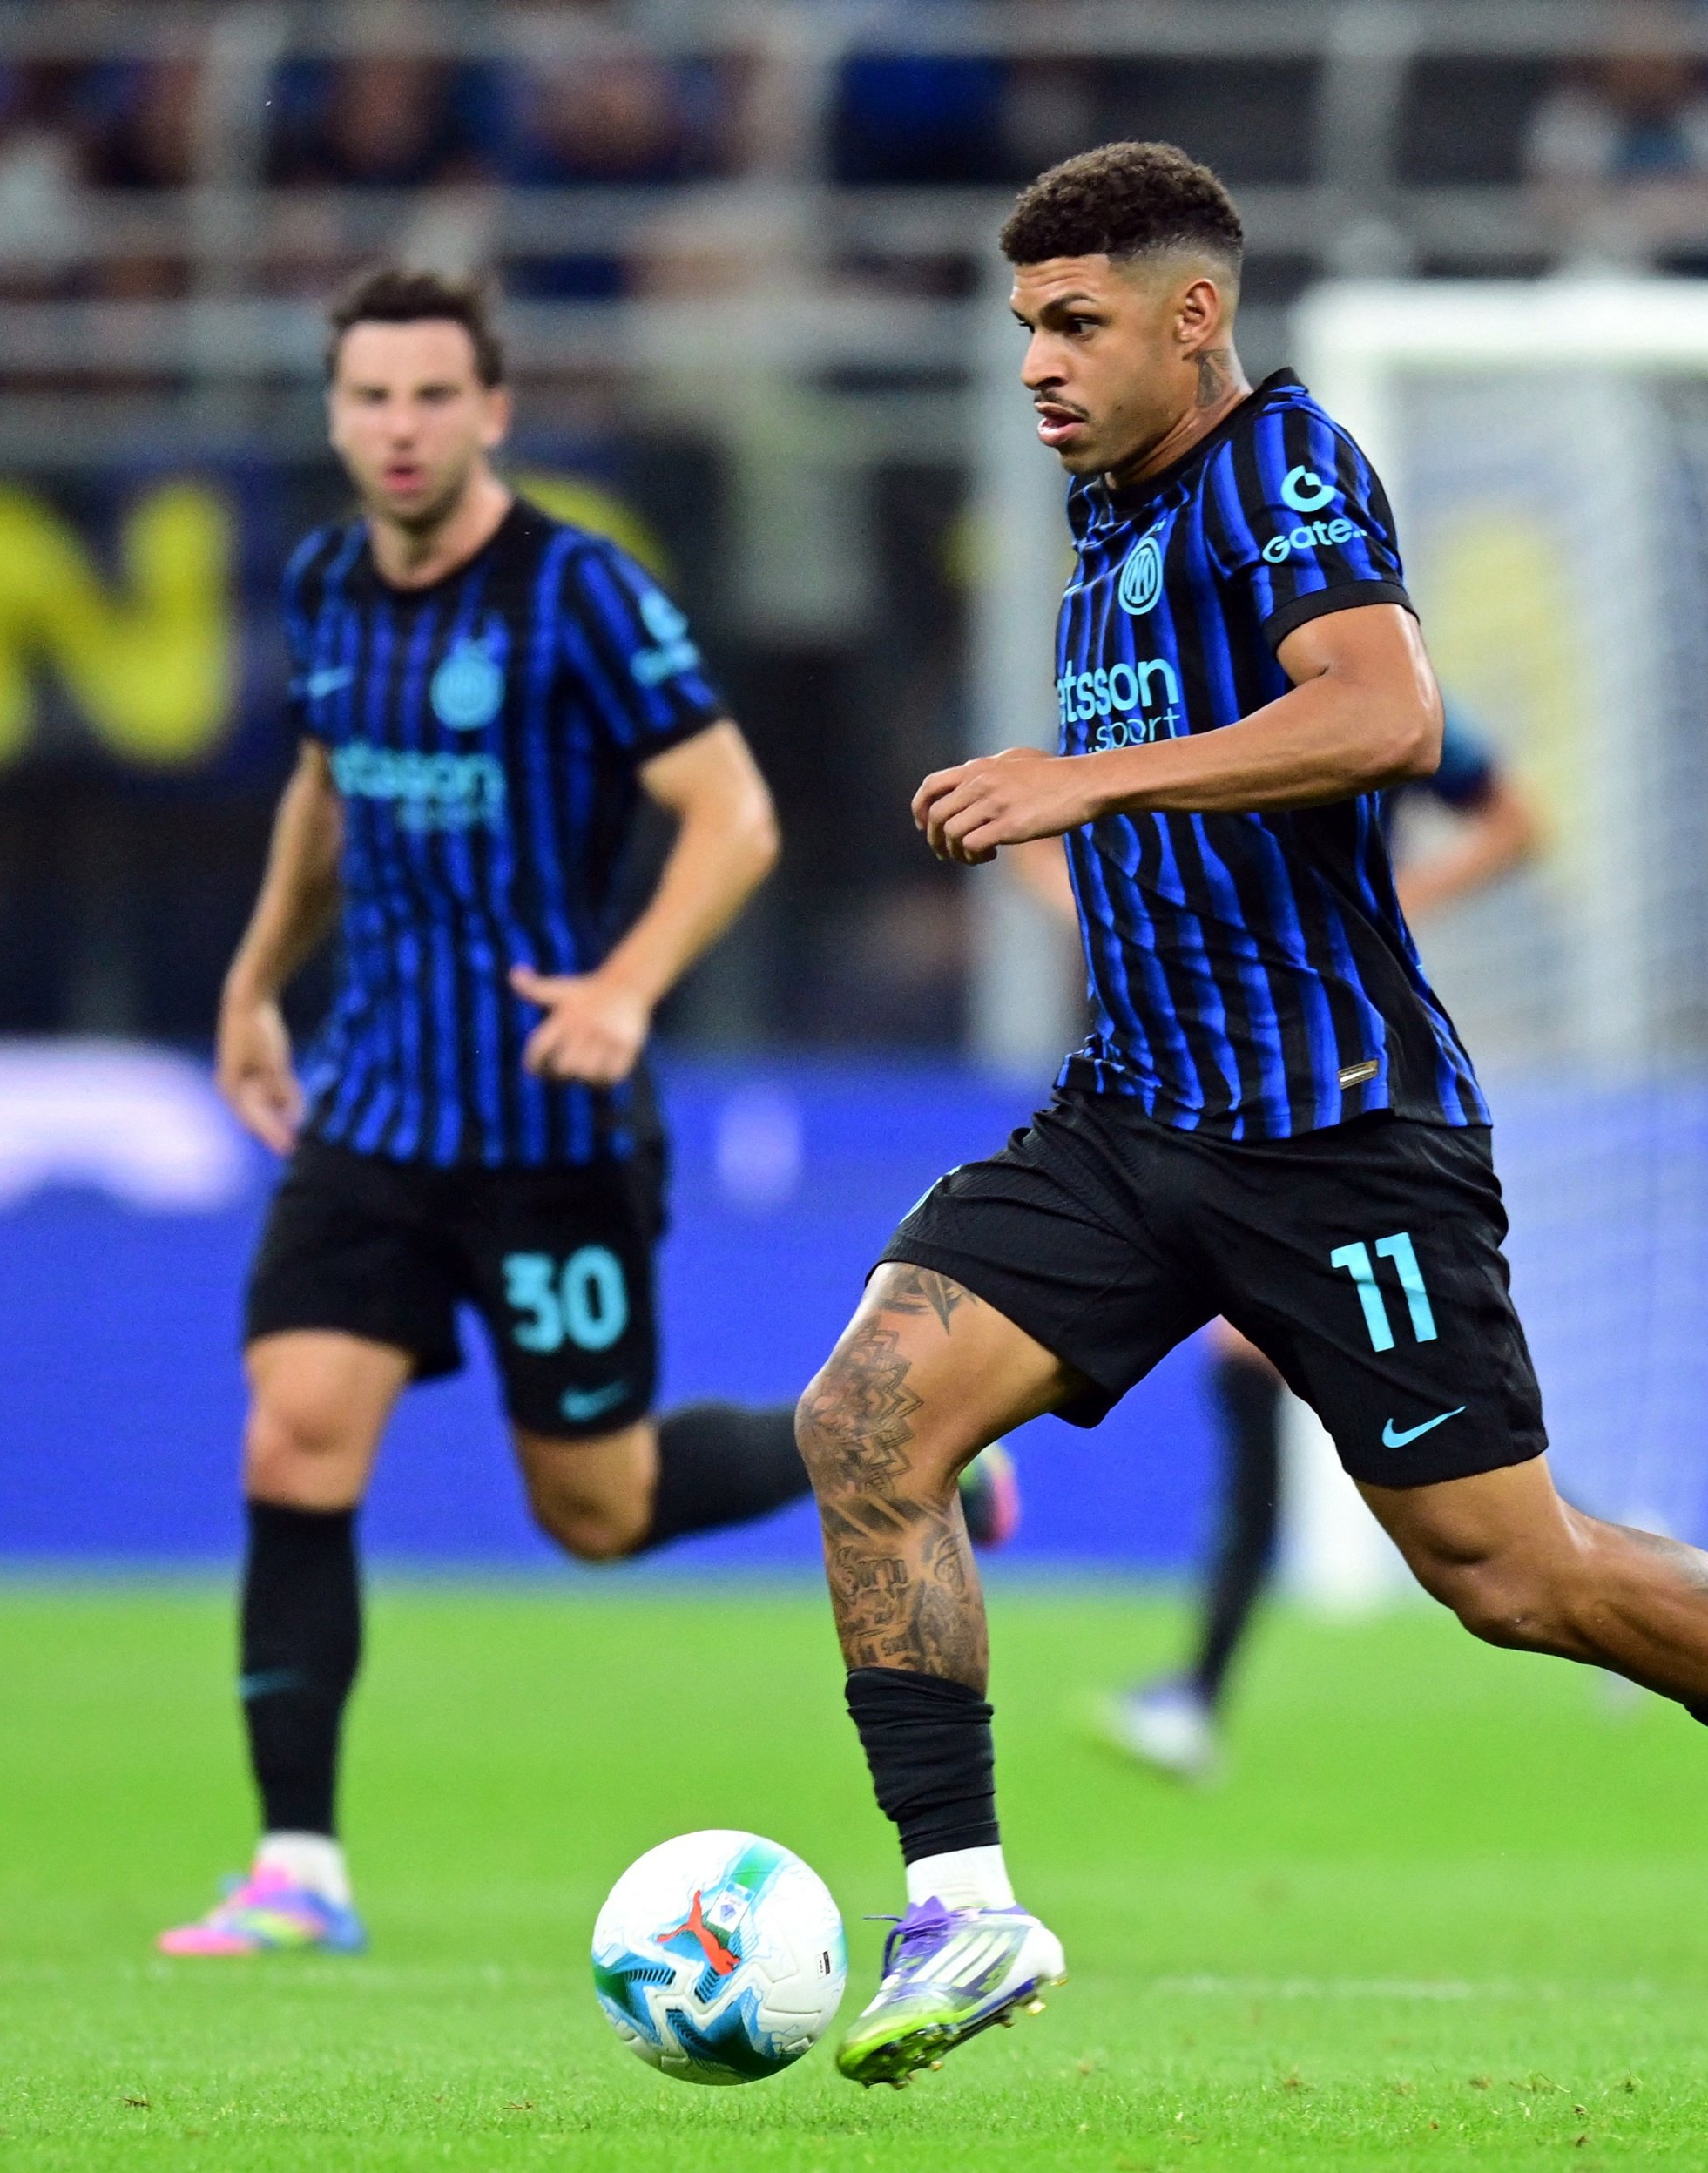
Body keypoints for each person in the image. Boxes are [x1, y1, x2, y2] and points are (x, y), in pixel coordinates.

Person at [798, 142, 1708, 2090]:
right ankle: (961, 1901)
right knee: (866, 1418)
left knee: (1511, 1575)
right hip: (1134, 1115)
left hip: (1336, 1134)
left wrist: (1088, 781)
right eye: (1023, 325)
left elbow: (1382, 713)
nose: (1035, 362)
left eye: (1075, 323)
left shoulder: (1281, 466)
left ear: (1193, 315)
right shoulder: (1111, 512)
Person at [156, 267, 1009, 1958]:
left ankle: (892, 1456)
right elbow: (324, 792)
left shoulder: (577, 594)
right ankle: (296, 1867)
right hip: (374, 1110)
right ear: (338, 416)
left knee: (594, 1511)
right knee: (291, 1434)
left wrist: (624, 983)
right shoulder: (324, 586)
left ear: (490, 411)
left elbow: (733, 813)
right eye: (370, 397)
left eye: (431, 396)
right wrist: (255, 980)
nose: (399, 427)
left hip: (551, 1126)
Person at [1085, 719, 1543, 1782]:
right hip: (1236, 1089)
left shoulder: (1378, 705)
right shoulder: (1185, 694)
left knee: (1425, 1446)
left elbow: (1513, 819)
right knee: (1334, 1392)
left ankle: (1198, 1694)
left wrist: (1404, 900)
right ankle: (1196, 1694)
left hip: (1346, 1092)